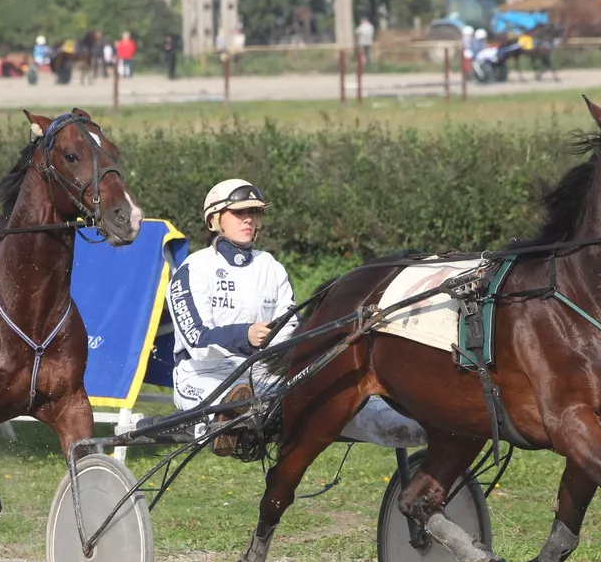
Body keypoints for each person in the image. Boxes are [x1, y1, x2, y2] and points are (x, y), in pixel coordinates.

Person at [167, 180, 423, 455]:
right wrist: (246, 336)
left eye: (254, 213)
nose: (249, 220)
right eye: (239, 213)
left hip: (260, 373)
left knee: (331, 395)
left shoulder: (271, 267)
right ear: (215, 219)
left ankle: (419, 425)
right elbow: (196, 340)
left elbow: (289, 331)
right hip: (203, 376)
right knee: (243, 405)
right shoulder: (194, 268)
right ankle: (225, 423)